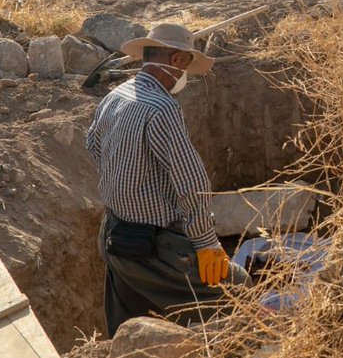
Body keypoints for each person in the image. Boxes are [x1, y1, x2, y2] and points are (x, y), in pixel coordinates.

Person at [86, 23, 249, 336]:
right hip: (150, 247)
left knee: (127, 330)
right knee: (237, 287)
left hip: (113, 236)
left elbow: (93, 144)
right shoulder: (162, 107)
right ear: (177, 62)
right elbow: (192, 182)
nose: (186, 74)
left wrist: (131, 182)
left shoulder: (116, 95)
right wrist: (206, 243)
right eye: (187, 64)